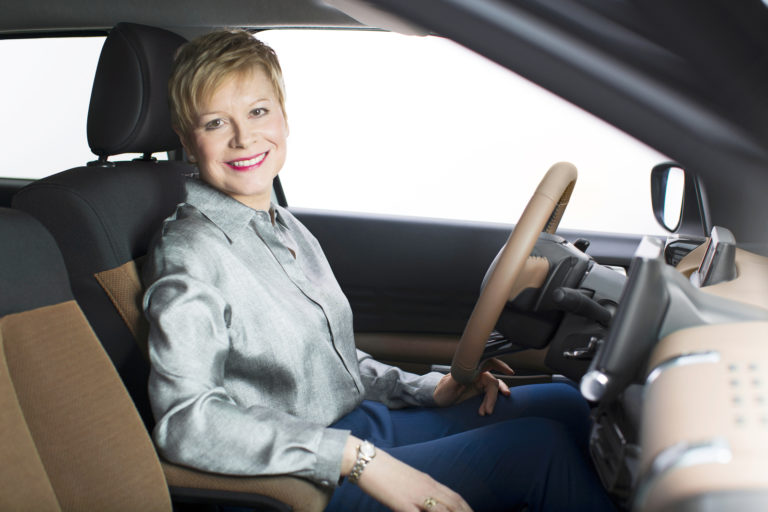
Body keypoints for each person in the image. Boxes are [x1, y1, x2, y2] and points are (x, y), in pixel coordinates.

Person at [143, 29, 615, 512]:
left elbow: (330, 362)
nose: (244, 137)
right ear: (186, 140)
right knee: (538, 452)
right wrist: (355, 458)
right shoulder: (191, 251)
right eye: (216, 123)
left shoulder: (282, 225)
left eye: (258, 112)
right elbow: (186, 422)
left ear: (284, 117)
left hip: (356, 428)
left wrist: (431, 389)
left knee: (565, 403)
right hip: (294, 478)